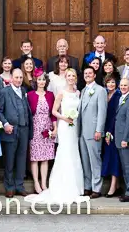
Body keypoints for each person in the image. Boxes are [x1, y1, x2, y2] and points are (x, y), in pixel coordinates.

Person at [24, 69, 88, 205]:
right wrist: (64, 118)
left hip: (74, 126)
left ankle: (75, 186)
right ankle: (59, 185)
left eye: (73, 76)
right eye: (69, 76)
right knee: (64, 153)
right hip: (65, 126)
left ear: (76, 78)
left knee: (74, 153)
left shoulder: (78, 93)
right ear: (65, 77)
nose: (71, 78)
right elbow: (54, 111)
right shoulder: (60, 93)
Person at [0, 68, 33, 197]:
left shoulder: (23, 91)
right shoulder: (4, 92)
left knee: (22, 159)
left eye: (21, 78)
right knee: (10, 160)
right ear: (11, 78)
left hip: (24, 129)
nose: (19, 80)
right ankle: (9, 187)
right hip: (10, 130)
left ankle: (19, 185)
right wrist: (5, 124)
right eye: (16, 77)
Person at [26, 68, 56, 193]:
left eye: (43, 79)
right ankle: (36, 183)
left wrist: (55, 128)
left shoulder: (50, 95)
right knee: (35, 157)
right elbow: (28, 113)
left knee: (45, 157)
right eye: (39, 79)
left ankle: (44, 183)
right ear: (35, 81)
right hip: (35, 127)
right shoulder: (30, 95)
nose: (41, 82)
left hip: (47, 127)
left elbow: (53, 113)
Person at [79, 66, 107, 198]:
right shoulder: (83, 90)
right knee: (85, 161)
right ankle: (87, 186)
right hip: (82, 132)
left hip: (93, 131)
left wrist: (99, 130)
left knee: (95, 161)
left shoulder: (100, 90)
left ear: (95, 75)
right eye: (85, 73)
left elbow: (102, 112)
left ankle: (97, 188)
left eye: (90, 73)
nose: (88, 75)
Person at [115, 77, 129, 201]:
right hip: (119, 138)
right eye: (121, 85)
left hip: (126, 140)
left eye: (125, 85)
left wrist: (126, 138)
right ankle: (128, 189)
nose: (123, 87)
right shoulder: (122, 98)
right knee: (125, 167)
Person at [101, 76, 121, 197]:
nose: (111, 84)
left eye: (113, 82)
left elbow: (116, 115)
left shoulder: (118, 96)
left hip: (113, 129)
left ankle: (113, 185)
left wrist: (110, 132)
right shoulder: (105, 95)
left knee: (114, 157)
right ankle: (117, 185)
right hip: (104, 128)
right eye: (109, 82)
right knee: (108, 156)